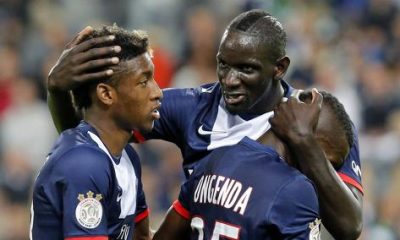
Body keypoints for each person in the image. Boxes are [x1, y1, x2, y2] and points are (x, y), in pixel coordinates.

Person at [46, 10, 362, 239]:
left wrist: (304, 143)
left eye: (246, 69)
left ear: (279, 68)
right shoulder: (194, 107)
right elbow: (91, 142)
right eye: (223, 64)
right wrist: (58, 92)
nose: (230, 80)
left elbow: (350, 226)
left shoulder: (317, 119)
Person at [152, 89, 351, 239]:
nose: (329, 175)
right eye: (329, 163)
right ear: (307, 138)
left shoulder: (213, 159)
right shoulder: (295, 188)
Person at [31, 25, 163, 240]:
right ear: (106, 94)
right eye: (143, 82)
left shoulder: (127, 156)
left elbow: (142, 236)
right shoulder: (83, 163)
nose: (157, 92)